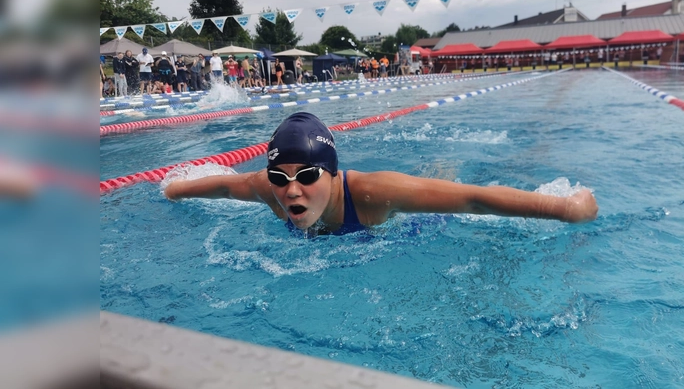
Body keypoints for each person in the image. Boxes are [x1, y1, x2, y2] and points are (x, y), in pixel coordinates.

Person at [164, 112, 599, 236]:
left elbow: (473, 199)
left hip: (407, 212)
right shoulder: (270, 189)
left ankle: (440, 165)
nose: (291, 190)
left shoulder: (375, 193)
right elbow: (224, 184)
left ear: (333, 175)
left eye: (308, 175)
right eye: (280, 177)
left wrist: (563, 208)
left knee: (440, 186)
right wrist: (174, 189)